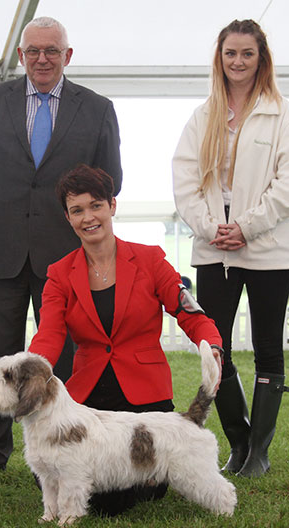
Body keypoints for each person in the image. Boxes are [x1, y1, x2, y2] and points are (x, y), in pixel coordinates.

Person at [0, 16, 122, 485]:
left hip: (67, 254)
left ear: (67, 55)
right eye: (33, 51)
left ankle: (63, 450)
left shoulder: (97, 108)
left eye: (52, 51)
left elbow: (108, 178)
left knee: (66, 358)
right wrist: (7, 210)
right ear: (21, 55)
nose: (42, 59)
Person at [28, 164, 223, 516]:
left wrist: (211, 343)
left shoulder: (150, 260)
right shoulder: (59, 274)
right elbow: (50, 333)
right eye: (77, 210)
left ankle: (152, 478)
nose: (88, 217)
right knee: (63, 471)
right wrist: (33, 370)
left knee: (119, 494)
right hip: (92, 395)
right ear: (68, 218)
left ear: (112, 206)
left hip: (145, 396)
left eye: (95, 205)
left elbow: (188, 311)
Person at [173, 19, 289, 477]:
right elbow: (185, 181)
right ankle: (238, 442)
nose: (237, 62)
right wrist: (213, 227)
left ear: (261, 59)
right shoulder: (203, 116)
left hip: (268, 250)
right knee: (213, 348)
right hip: (214, 249)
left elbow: (285, 185)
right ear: (218, 59)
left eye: (247, 54)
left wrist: (247, 226)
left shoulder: (281, 113)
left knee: (267, 348)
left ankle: (259, 453)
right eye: (230, 54)